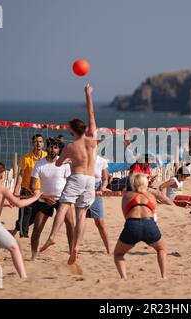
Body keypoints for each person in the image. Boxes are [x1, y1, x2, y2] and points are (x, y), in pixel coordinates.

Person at [40, 84, 98, 265]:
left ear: (72, 131)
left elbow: (57, 163)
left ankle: (52, 236)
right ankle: (76, 247)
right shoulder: (93, 140)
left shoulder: (71, 147)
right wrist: (88, 94)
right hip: (91, 180)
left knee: (64, 206)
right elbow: (91, 114)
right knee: (81, 214)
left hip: (77, 177)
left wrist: (67, 161)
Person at [114, 173, 174, 279]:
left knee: (118, 254)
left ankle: (124, 278)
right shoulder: (151, 197)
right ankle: (164, 276)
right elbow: (153, 213)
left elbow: (126, 215)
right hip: (149, 224)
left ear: (132, 183)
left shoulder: (127, 196)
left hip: (132, 224)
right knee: (161, 249)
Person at [29, 137, 75, 260]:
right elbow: (32, 186)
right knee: (37, 228)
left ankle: (72, 253)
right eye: (50, 146)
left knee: (70, 224)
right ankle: (33, 255)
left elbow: (70, 182)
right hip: (45, 199)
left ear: (59, 149)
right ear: (47, 147)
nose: (53, 149)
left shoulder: (64, 163)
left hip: (62, 199)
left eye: (55, 147)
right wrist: (44, 196)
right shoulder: (39, 164)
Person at [11, 134, 46, 238]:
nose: (38, 144)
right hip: (27, 190)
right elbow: (21, 174)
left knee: (35, 216)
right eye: (36, 141)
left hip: (40, 191)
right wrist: (16, 190)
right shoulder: (26, 158)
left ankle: (16, 229)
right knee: (25, 214)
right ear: (32, 143)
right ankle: (23, 236)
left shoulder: (46, 156)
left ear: (43, 144)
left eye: (40, 141)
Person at [86, 153, 111, 254]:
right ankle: (74, 248)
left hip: (97, 190)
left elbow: (105, 179)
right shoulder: (82, 157)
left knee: (100, 222)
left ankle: (109, 250)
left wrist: (103, 188)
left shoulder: (101, 161)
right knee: (80, 221)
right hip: (83, 189)